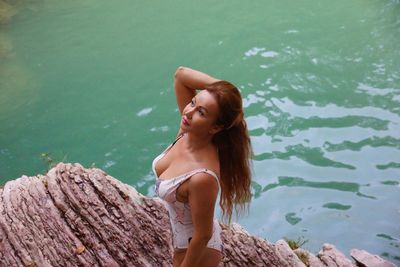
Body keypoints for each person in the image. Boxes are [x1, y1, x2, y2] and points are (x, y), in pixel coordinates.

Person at [152, 66, 252, 267]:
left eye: (201, 112)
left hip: (195, 254)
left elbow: (203, 235)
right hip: (180, 239)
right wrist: (226, 91)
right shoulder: (188, 130)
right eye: (192, 102)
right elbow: (181, 75)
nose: (188, 111)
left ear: (215, 127)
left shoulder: (202, 177)